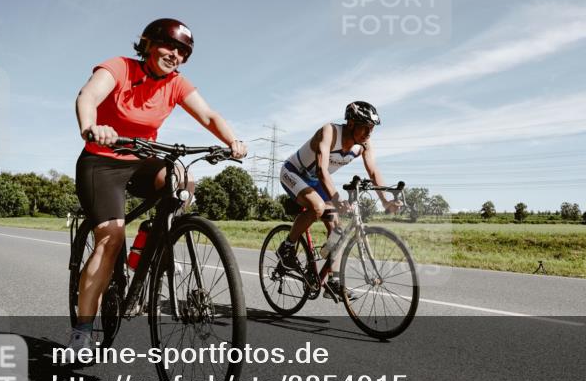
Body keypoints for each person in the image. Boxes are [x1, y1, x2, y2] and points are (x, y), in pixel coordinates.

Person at [70, 18, 247, 354]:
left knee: (183, 177)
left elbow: (208, 116)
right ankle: (81, 330)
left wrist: (232, 140)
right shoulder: (119, 68)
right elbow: (88, 95)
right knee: (110, 239)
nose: (175, 55)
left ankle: (155, 234)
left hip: (141, 160)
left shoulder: (176, 83)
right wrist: (91, 127)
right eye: (169, 46)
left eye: (183, 51)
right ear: (148, 43)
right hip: (102, 161)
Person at [276, 101, 400, 299]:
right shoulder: (329, 132)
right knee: (317, 207)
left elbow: (373, 171)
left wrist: (385, 201)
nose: (369, 133)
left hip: (316, 182)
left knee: (338, 229)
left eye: (372, 129)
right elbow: (321, 169)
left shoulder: (364, 145)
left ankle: (333, 282)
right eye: (365, 127)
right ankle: (287, 247)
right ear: (350, 124)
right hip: (293, 172)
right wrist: (336, 198)